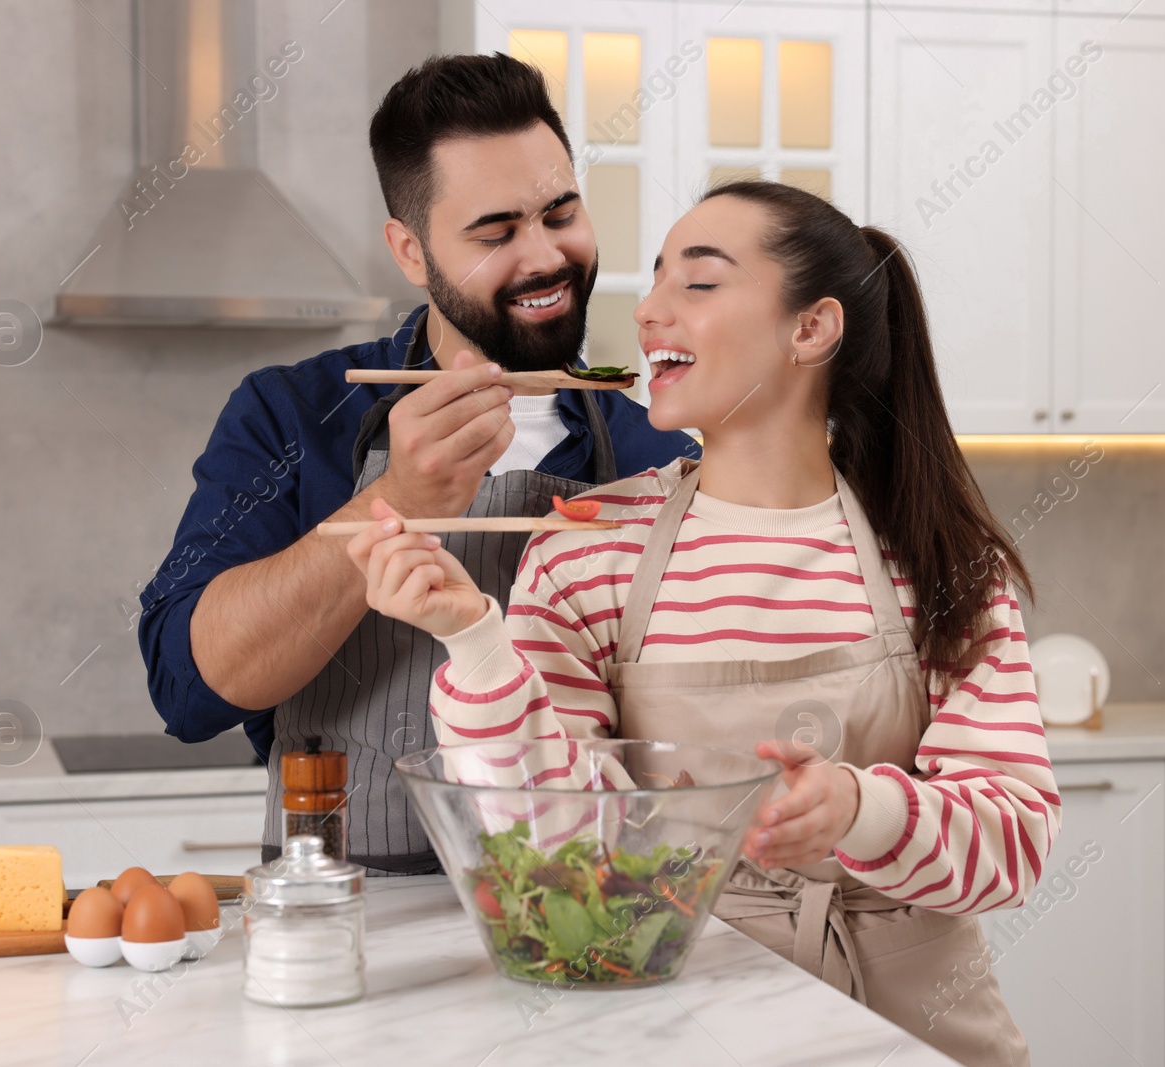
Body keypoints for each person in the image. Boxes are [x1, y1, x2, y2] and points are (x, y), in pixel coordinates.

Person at [346, 180, 1057, 1065]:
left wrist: (857, 808)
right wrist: (474, 639)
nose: (648, 312)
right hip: (676, 1021)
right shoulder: (586, 551)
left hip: (918, 1030)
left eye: (699, 283)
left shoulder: (941, 556)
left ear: (812, 328)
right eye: (652, 282)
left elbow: (1015, 840)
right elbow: (549, 848)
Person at [137, 54, 700, 875]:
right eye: (496, 232)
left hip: (582, 913)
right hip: (348, 916)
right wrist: (395, 498)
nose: (543, 255)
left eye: (560, 212)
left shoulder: (661, 448)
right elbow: (188, 690)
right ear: (410, 250)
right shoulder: (294, 415)